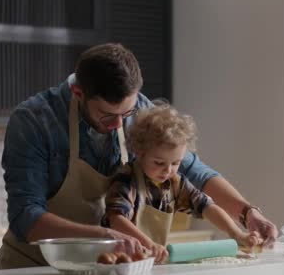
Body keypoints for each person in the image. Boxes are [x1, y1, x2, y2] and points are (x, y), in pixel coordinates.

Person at [0, 43, 278, 269]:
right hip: (34, 271)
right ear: (78, 92)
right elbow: (25, 219)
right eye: (107, 115)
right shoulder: (35, 120)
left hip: (105, 272)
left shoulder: (140, 109)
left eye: (125, 114)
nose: (119, 125)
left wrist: (247, 213)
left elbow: (193, 171)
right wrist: (104, 235)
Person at [103, 103, 262, 262]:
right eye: (159, 163)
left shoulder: (175, 183)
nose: (167, 171)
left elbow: (206, 206)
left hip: (151, 259)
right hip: (119, 260)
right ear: (139, 152)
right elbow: (116, 219)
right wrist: (149, 244)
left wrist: (236, 234)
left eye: (175, 163)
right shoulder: (126, 180)